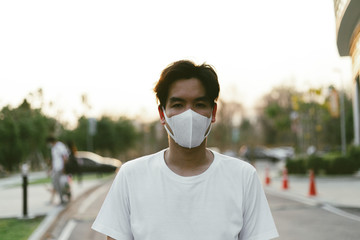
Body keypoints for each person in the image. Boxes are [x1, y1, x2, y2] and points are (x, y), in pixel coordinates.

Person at [92, 60, 279, 240]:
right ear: (162, 114)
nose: (189, 114)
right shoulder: (130, 176)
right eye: (178, 104)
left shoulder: (243, 177)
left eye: (199, 104)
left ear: (213, 113)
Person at [46, 136, 69, 205]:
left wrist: (64, 168)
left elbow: (64, 157)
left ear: (51, 142)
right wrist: (50, 169)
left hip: (60, 168)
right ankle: (64, 196)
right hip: (56, 169)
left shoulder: (60, 146)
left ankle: (63, 199)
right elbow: (54, 160)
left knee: (59, 184)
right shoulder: (53, 148)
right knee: (55, 184)